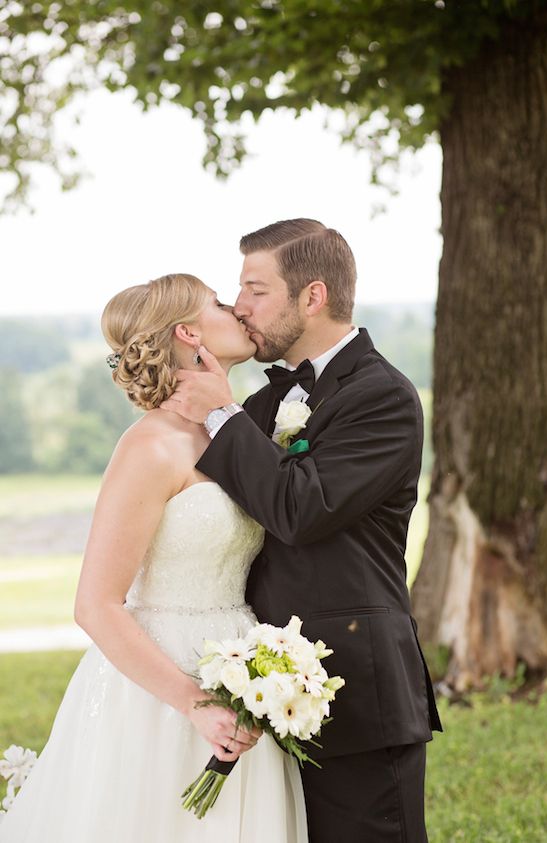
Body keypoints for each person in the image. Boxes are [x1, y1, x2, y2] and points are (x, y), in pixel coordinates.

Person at [161, 219, 443, 843]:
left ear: (311, 297)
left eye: (256, 289)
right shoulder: (260, 406)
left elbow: (300, 509)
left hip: (357, 691)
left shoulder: (384, 397)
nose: (239, 306)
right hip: (264, 692)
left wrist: (217, 409)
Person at [0, 273, 308, 843]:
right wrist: (194, 704)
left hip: (240, 664)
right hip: (155, 690)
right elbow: (96, 604)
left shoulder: (239, 436)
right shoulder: (149, 447)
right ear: (190, 333)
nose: (236, 310)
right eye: (218, 302)